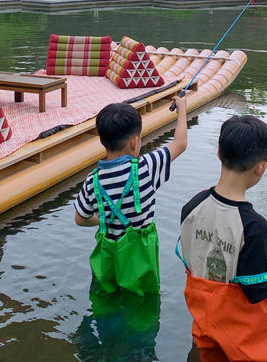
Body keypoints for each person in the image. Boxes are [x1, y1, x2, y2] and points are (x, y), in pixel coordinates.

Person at [178, 114, 267, 362]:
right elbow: (255, 289)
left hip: (205, 329)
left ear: (218, 153)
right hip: (245, 346)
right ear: (261, 167)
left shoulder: (191, 206)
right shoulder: (254, 227)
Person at [75, 95, 187, 296]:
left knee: (105, 305)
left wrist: (104, 219)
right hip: (140, 263)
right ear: (135, 142)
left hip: (106, 263)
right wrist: (182, 109)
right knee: (142, 310)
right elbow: (180, 143)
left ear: (102, 141)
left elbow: (80, 219)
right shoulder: (146, 168)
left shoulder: (92, 180)